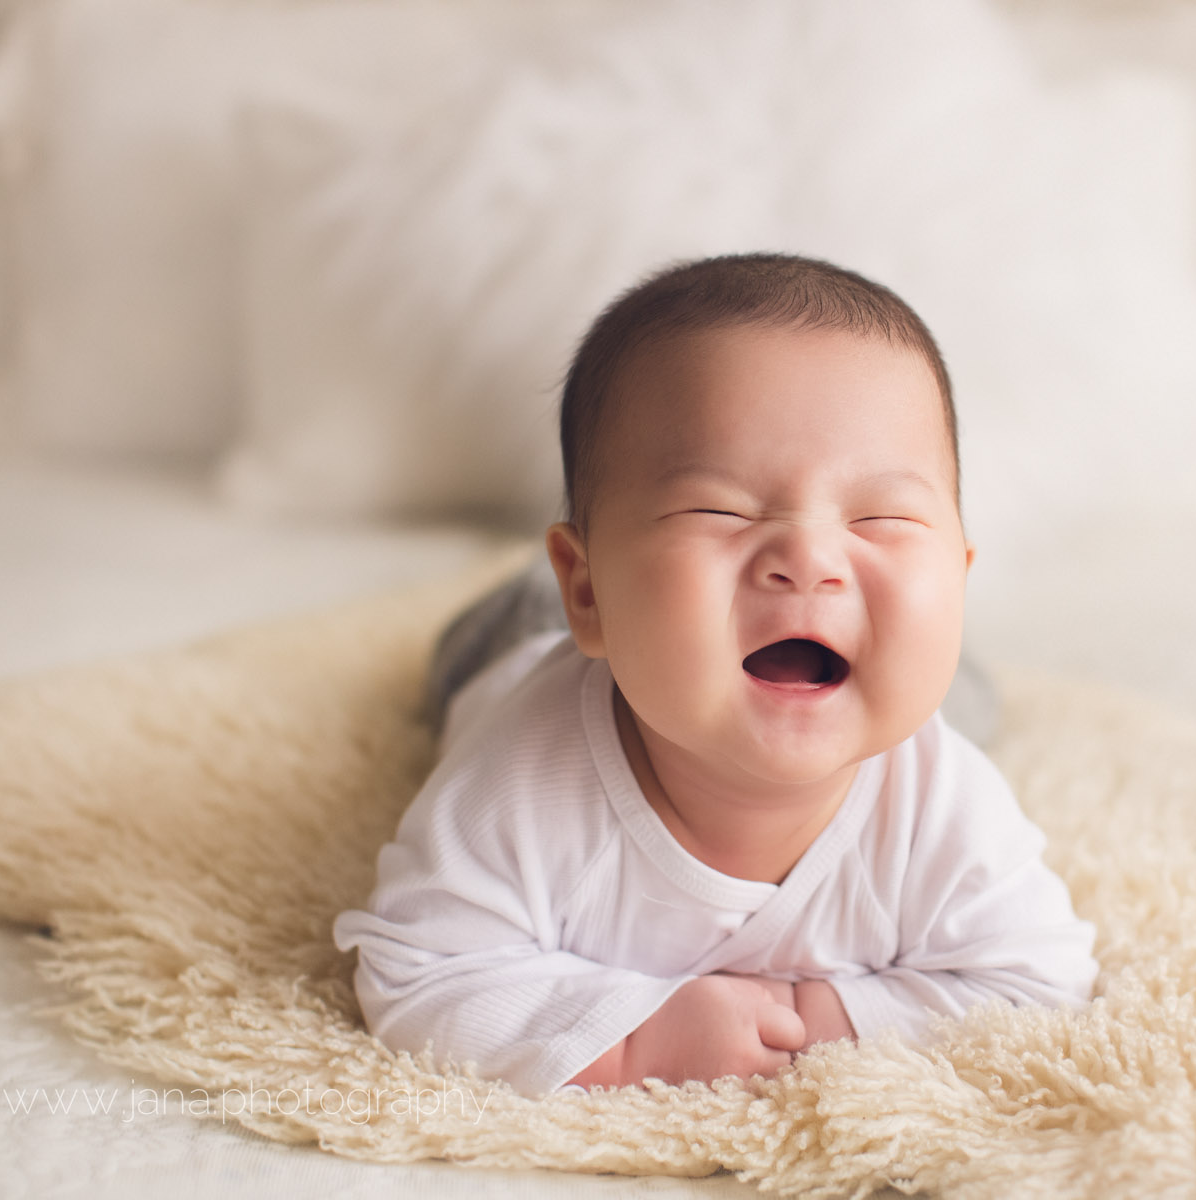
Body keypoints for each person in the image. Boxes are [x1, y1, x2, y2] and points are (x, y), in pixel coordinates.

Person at [333, 253, 1098, 1097]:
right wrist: (639, 1043)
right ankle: (536, 602)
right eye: (720, 510)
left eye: (880, 517)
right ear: (586, 588)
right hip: (516, 655)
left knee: (963, 699)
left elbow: (1036, 986)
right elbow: (419, 975)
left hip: (872, 675)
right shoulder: (517, 790)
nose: (809, 559)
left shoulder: (943, 805)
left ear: (960, 568)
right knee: (493, 637)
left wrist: (818, 1017)